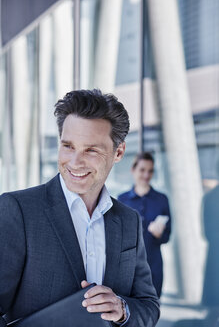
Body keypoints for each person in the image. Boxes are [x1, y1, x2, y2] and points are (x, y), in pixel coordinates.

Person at [0, 90, 159, 327]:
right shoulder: (19, 211)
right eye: (68, 146)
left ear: (119, 152)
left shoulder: (129, 221)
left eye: (91, 150)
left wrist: (122, 309)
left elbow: (148, 305)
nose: (75, 162)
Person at [118, 152, 171, 298]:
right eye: (142, 170)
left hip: (153, 265)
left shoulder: (161, 200)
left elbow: (167, 237)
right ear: (133, 170)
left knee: (152, 307)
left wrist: (159, 234)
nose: (146, 175)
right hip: (129, 266)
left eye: (150, 171)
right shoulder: (122, 200)